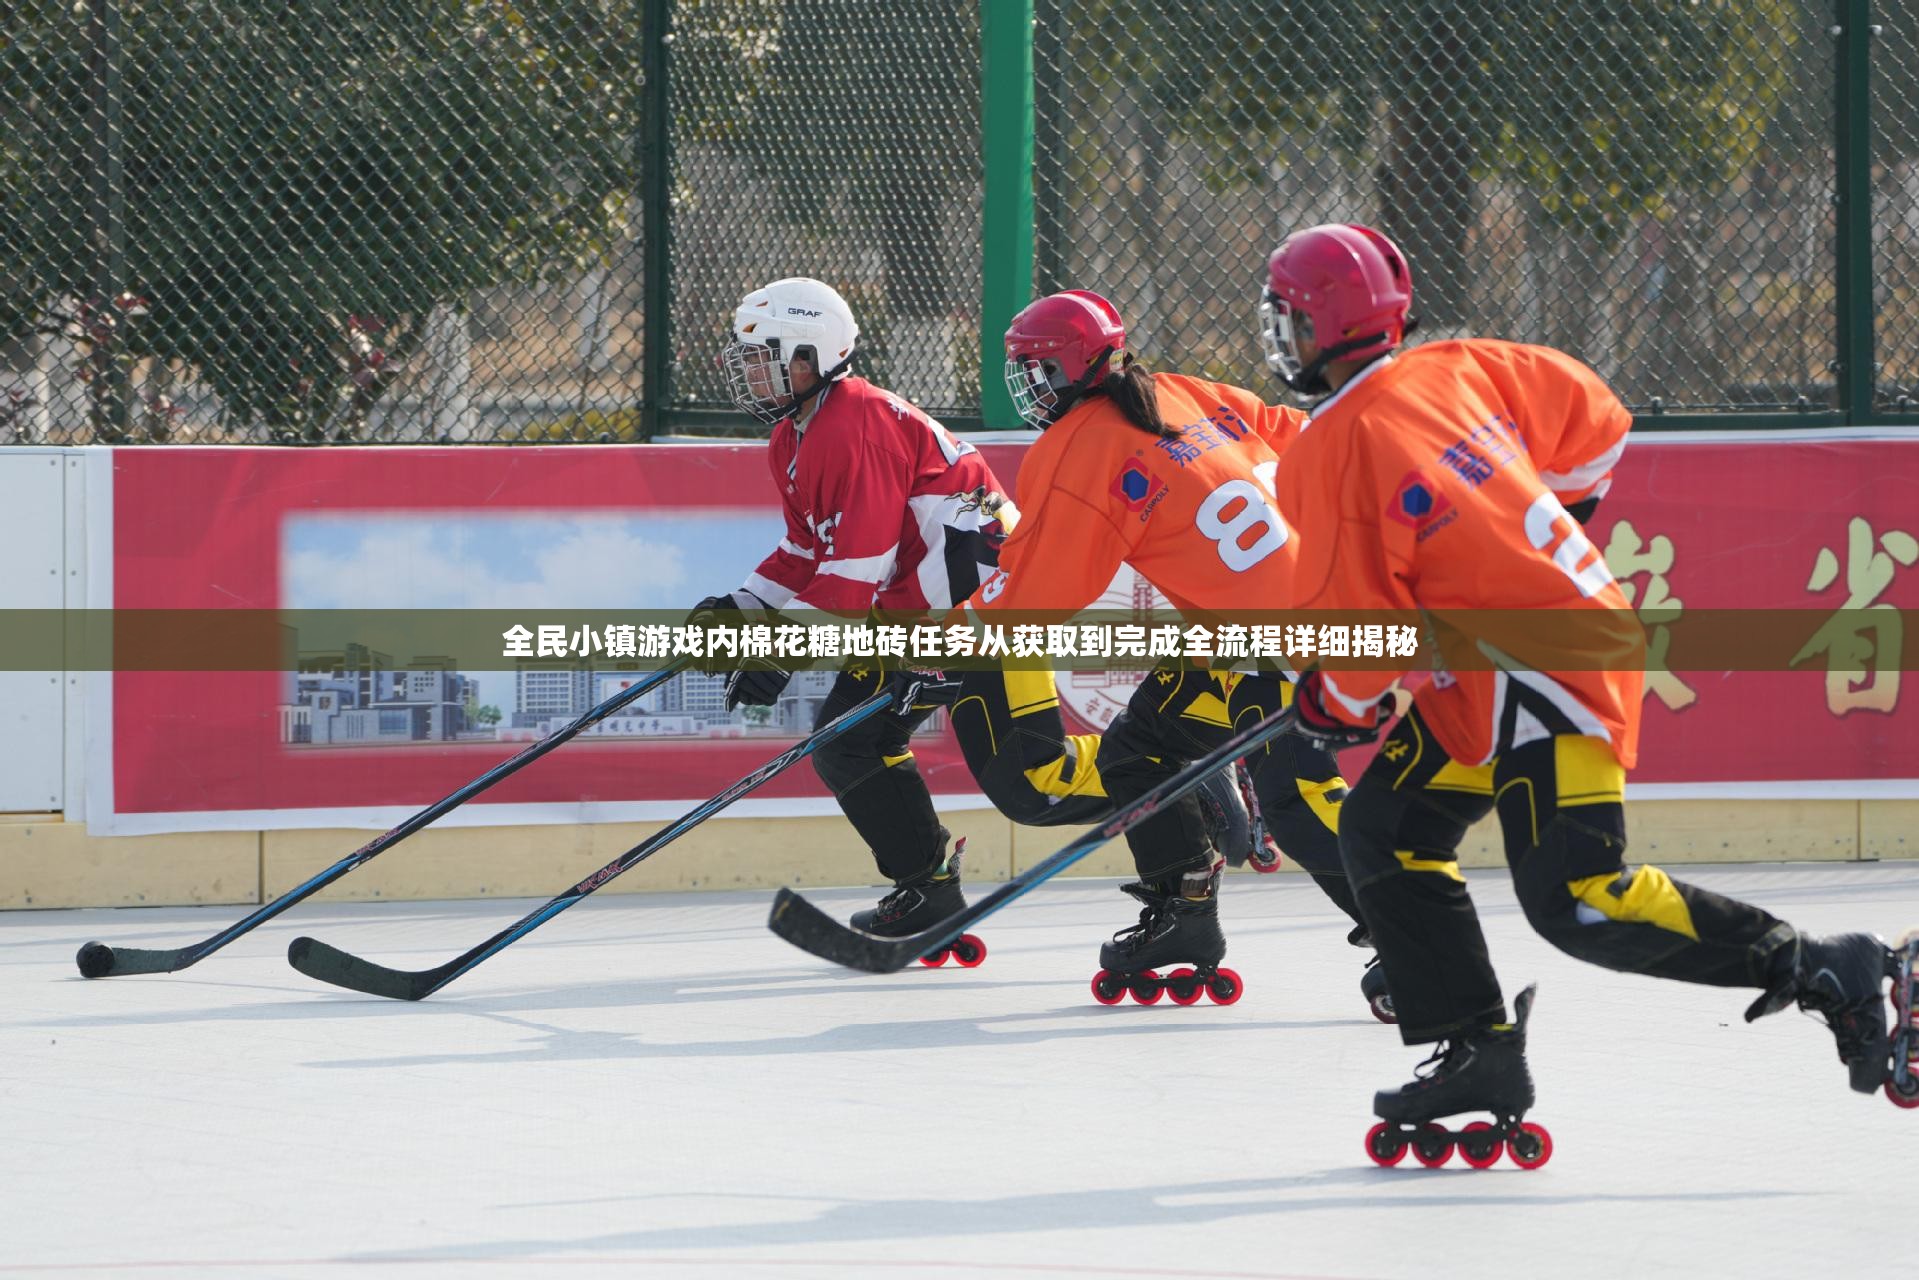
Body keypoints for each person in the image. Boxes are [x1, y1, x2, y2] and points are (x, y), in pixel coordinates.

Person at [1259, 222, 1911, 1164]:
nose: (1280, 334)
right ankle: (1477, 1052)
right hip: (1496, 665)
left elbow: (1359, 627)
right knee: (1385, 831)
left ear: (1311, 328)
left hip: (1540, 664)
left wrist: (1335, 703)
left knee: (1578, 896)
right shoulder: (1455, 367)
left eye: (1285, 316)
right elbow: (1593, 414)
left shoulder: (1328, 447)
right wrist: (1542, 523)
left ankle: (1827, 967)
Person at [685, 277, 1255, 948]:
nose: (749, 372)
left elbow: (856, 567)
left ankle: (1177, 776)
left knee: (1034, 782)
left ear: (811, 355)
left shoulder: (854, 424)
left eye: (763, 356)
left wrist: (778, 652)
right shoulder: (794, 435)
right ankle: (927, 890)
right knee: (848, 743)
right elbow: (806, 547)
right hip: (919, 616)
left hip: (988, 606)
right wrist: (744, 604)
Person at [958, 288, 1375, 1007]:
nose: (1026, 389)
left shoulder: (1078, 445)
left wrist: (953, 635)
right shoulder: (1182, 391)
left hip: (1285, 646)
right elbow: (1301, 438)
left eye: (1033, 371)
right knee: (1136, 754)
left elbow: (1036, 595)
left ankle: (1416, 935)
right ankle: (1184, 914)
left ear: (1067, 368)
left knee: (1298, 803)